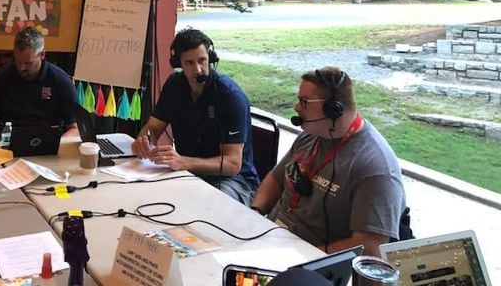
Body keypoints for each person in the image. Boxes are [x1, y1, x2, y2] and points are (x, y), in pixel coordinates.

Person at [250, 66, 406, 257]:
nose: (296, 107)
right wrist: (255, 213)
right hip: (272, 238)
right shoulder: (312, 135)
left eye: (304, 102)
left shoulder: (375, 167)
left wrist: (306, 260)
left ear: (333, 109)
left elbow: (368, 245)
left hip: (309, 260)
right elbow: (276, 179)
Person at [132, 28, 259, 203]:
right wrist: (144, 140)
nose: (198, 70)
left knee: (201, 204)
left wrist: (184, 162)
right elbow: (153, 128)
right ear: (179, 64)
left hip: (232, 180)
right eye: (190, 63)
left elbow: (232, 164)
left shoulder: (229, 96)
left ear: (210, 59)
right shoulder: (174, 86)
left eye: (202, 61)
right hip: (188, 171)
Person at [0, 27, 79, 136]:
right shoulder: (1, 77)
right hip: (7, 138)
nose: (21, 68)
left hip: (46, 140)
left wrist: (58, 143)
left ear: (42, 55)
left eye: (28, 63)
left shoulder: (61, 81)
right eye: (17, 61)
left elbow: (75, 128)